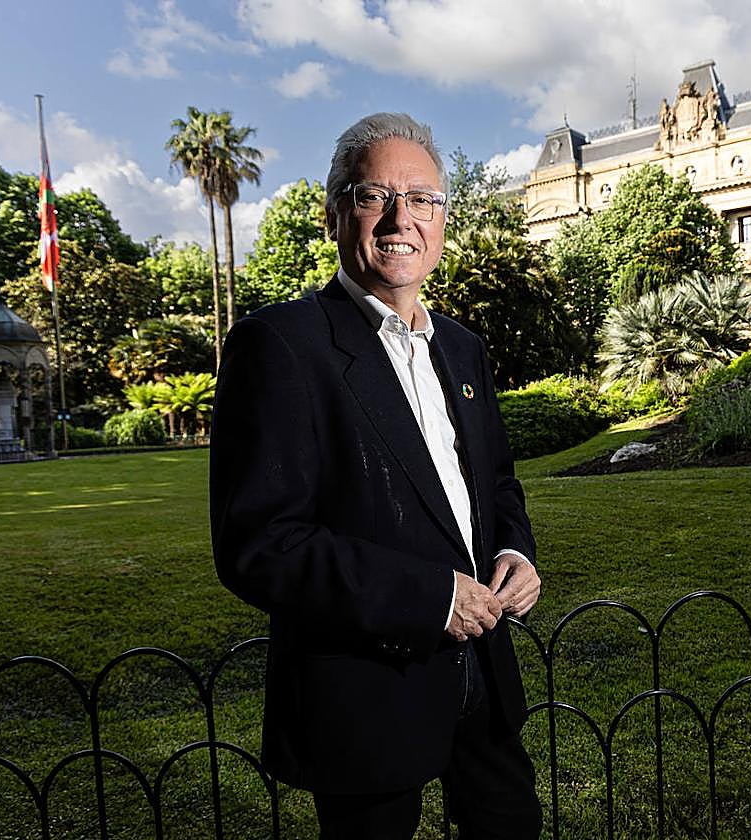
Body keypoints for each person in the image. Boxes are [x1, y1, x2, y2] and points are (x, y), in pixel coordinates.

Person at [209, 112, 543, 840]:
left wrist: (514, 550)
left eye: (422, 199)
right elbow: (258, 544)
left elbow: (496, 483)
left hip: (483, 674)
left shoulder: (463, 348)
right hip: (366, 693)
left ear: (442, 218)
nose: (401, 220)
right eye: (374, 197)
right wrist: (429, 597)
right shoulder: (279, 345)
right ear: (335, 215)